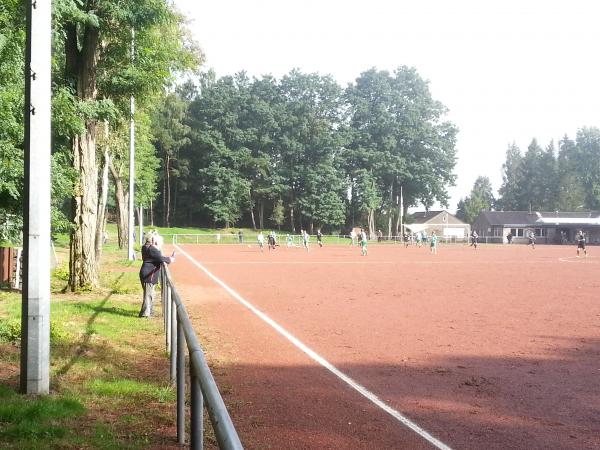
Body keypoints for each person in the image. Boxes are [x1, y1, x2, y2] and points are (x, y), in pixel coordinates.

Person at [139, 233, 174, 318]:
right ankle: (145, 314)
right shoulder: (152, 249)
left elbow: (158, 257)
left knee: (149, 294)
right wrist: (170, 259)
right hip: (149, 274)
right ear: (154, 241)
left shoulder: (146, 247)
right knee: (149, 295)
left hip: (147, 273)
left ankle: (148, 311)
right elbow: (160, 258)